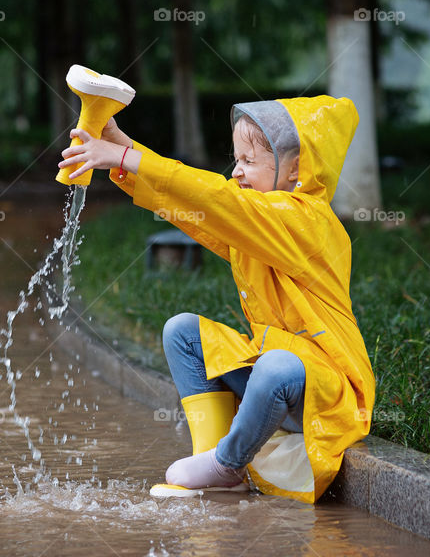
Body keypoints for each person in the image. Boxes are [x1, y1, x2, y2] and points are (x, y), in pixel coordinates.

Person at [56, 95, 375, 503]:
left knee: (275, 367)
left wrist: (124, 156)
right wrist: (125, 153)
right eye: (235, 158)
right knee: (184, 332)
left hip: (325, 390)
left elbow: (217, 199)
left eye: (248, 160)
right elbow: (193, 205)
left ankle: (228, 463)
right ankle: (209, 457)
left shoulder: (306, 221)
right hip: (271, 373)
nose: (236, 171)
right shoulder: (251, 220)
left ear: (296, 168)